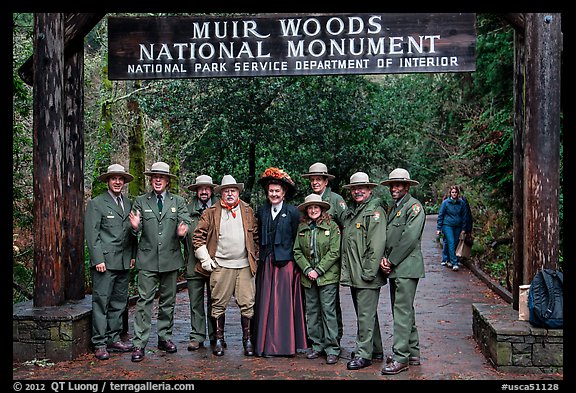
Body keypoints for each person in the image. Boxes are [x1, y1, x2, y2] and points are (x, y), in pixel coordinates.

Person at [128, 161, 191, 362]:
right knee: (144, 302)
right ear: (150, 179)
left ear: (167, 181)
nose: (157, 179)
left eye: (161, 177)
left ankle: (164, 337)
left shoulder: (177, 201)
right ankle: (139, 343)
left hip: (170, 259)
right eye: (154, 176)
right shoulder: (140, 200)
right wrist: (135, 227)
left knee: (168, 301)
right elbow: (133, 227)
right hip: (147, 259)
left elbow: (186, 221)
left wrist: (183, 231)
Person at [192, 174, 259, 357]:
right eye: (226, 191)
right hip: (221, 265)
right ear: (221, 193)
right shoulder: (211, 212)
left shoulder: (247, 211)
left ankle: (247, 340)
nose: (230, 194)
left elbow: (255, 238)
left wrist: (255, 257)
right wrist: (206, 259)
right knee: (218, 304)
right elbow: (198, 237)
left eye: (233, 190)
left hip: (244, 265)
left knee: (247, 303)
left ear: (238, 192)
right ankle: (219, 340)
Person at [253, 167, 308, 357]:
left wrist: (295, 264)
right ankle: (263, 345)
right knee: (264, 303)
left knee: (283, 305)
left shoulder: (292, 212)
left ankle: (285, 345)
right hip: (266, 263)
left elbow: (296, 238)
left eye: (277, 191)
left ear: (283, 193)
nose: (274, 194)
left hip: (285, 264)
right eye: (271, 191)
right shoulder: (261, 211)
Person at [85, 164, 138, 360]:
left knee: (119, 303)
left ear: (124, 182)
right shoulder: (96, 203)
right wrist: (98, 259)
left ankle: (113, 338)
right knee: (101, 302)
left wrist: (132, 255)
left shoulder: (128, 203)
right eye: (114, 178)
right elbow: (92, 235)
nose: (117, 182)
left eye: (120, 179)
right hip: (105, 263)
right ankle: (99, 343)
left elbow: (132, 232)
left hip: (124, 261)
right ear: (107, 181)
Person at [339, 171, 387, 370]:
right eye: (354, 189)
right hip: (355, 273)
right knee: (367, 313)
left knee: (364, 316)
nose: (357, 191)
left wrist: (368, 272)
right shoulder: (355, 211)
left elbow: (376, 245)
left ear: (369, 189)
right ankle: (375, 349)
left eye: (361, 188)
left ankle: (363, 354)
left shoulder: (374, 211)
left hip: (365, 273)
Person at [379, 168, 425, 375]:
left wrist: (391, 260)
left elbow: (409, 238)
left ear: (407, 186)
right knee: (406, 310)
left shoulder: (414, 207)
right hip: (397, 269)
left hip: (405, 267)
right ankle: (412, 353)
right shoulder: (396, 207)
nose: (394, 188)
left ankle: (400, 358)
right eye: (392, 185)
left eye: (398, 185)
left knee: (401, 312)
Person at [293, 193, 342, 365]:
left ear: (322, 209)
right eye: (310, 207)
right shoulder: (302, 227)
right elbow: (297, 251)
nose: (313, 210)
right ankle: (316, 345)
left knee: (328, 311)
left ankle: (332, 348)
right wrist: (307, 269)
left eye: (316, 207)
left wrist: (319, 270)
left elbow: (335, 251)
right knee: (312, 311)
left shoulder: (332, 226)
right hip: (308, 277)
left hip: (327, 277)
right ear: (306, 210)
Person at [301, 162, 346, 343]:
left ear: (326, 181)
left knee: (330, 306)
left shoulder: (336, 200)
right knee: (313, 307)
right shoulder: (309, 201)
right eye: (312, 180)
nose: (315, 183)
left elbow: (346, 225)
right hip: (311, 261)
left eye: (318, 179)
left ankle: (334, 339)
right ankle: (317, 342)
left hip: (331, 259)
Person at [183, 175, 219, 351]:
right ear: (196, 190)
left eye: (207, 188)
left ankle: (215, 335)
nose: (204, 191)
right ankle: (197, 335)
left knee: (215, 301)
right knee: (195, 302)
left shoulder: (220, 208)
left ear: (212, 190)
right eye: (200, 188)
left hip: (215, 264)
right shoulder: (186, 210)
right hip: (192, 263)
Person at [436, 185, 468, 271]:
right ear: (450, 193)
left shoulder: (461, 203)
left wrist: (464, 228)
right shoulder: (445, 203)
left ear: (458, 193)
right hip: (447, 225)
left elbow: (464, 216)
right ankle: (454, 263)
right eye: (452, 192)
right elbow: (441, 215)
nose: (454, 194)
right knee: (451, 242)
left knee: (456, 243)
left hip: (457, 225)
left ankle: (449, 259)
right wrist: (438, 228)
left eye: (455, 192)